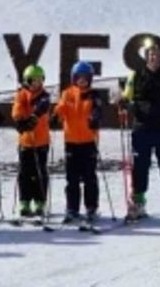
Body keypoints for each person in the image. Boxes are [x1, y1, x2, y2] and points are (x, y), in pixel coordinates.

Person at [120, 34, 160, 223]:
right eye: (150, 54)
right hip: (141, 129)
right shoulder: (136, 75)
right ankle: (138, 203)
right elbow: (127, 95)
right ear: (146, 56)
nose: (154, 57)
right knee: (140, 167)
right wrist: (124, 101)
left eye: (157, 54)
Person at [55, 61, 102, 225]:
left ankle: (91, 207)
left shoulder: (93, 95)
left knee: (90, 176)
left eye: (85, 78)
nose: (82, 81)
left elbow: (98, 109)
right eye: (79, 78)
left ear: (90, 79)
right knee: (72, 178)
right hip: (71, 142)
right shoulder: (67, 93)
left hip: (89, 141)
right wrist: (56, 115)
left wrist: (95, 118)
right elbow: (61, 108)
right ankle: (72, 208)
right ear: (73, 78)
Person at [13, 64, 52, 219]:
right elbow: (17, 108)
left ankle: (40, 201)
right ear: (26, 81)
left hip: (41, 140)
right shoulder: (21, 94)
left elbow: (43, 106)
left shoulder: (44, 95)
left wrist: (33, 116)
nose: (36, 84)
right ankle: (24, 201)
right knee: (25, 173)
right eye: (33, 81)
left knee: (40, 172)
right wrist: (20, 120)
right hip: (26, 142)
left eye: (39, 80)